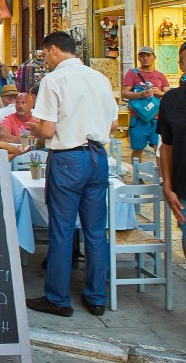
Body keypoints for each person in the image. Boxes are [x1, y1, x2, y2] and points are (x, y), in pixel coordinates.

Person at [25, 30, 118, 318]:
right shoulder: (99, 78)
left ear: (53, 50)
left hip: (68, 158)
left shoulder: (53, 80)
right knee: (94, 231)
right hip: (97, 156)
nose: (45, 61)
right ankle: (96, 297)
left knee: (62, 230)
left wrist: (35, 129)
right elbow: (113, 124)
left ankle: (58, 299)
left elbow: (49, 130)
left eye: (44, 55)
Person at [156, 39, 186, 277]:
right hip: (185, 191)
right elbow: (166, 147)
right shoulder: (171, 100)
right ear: (181, 66)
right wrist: (167, 187)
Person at [123, 46, 170, 164]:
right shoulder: (132, 74)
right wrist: (141, 94)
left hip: (157, 120)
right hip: (138, 119)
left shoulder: (160, 75)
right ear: (138, 58)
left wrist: (160, 93)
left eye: (148, 55)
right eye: (142, 55)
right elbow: (124, 93)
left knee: (159, 149)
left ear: (154, 57)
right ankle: (137, 177)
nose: (145, 58)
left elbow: (169, 96)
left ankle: (161, 177)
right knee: (138, 149)